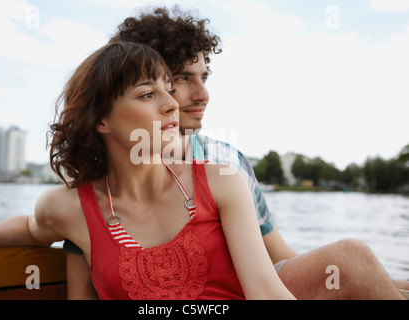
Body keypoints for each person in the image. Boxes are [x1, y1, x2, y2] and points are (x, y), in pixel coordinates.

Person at [64, 7, 408, 300]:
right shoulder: (100, 183)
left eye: (205, 76)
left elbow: (281, 261)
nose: (203, 94)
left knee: (364, 270)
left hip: (255, 289)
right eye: (183, 78)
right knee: (352, 261)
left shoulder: (225, 160)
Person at [0, 41, 295, 300]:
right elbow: (32, 230)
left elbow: (266, 292)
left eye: (168, 88)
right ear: (102, 119)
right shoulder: (69, 208)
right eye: (148, 93)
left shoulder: (222, 183)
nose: (172, 103)